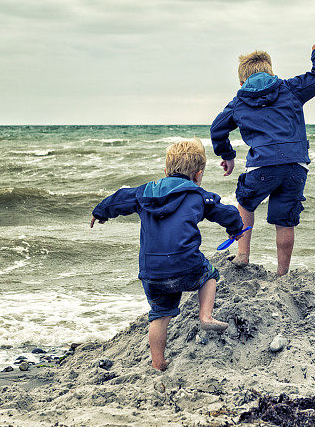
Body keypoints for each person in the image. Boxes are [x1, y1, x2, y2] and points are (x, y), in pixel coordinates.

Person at [90, 139, 244, 371]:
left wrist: (100, 212)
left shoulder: (144, 193)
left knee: (160, 314)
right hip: (187, 265)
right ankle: (206, 316)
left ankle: (158, 362)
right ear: (198, 174)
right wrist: (235, 230)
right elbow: (227, 213)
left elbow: (120, 198)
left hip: (153, 272)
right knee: (209, 274)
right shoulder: (198, 196)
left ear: (165, 171)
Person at [210, 44, 315, 276]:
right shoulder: (290, 89)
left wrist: (228, 155)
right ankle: (282, 273)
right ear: (270, 72)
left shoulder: (239, 101)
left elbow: (217, 128)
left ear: (242, 81)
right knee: (285, 219)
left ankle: (243, 254)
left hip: (262, 166)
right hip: (296, 165)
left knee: (245, 202)